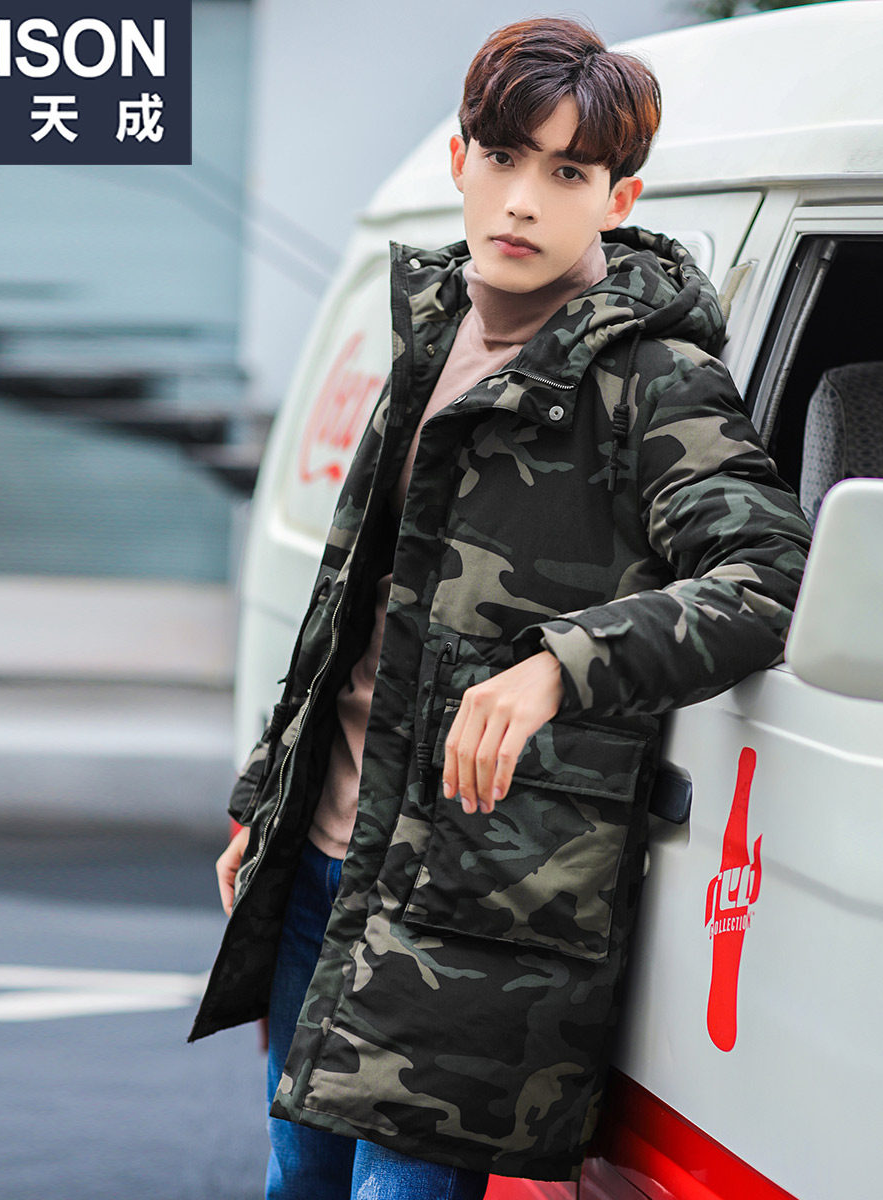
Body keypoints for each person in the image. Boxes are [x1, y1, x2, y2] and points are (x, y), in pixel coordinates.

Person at [190, 16, 812, 1199]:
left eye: (568, 173)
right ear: (461, 161)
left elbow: (767, 576)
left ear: (618, 197)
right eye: (506, 157)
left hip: (479, 902)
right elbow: (348, 602)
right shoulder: (433, 335)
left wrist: (558, 665)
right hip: (325, 861)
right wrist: (263, 803)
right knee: (296, 1184)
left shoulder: (653, 378)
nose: (525, 199)